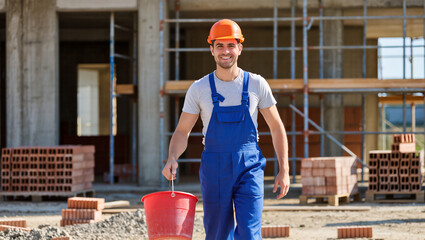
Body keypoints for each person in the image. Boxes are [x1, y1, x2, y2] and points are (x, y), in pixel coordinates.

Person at [162, 19, 290, 240]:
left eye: (231, 45)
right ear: (211, 49)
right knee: (218, 233)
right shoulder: (199, 88)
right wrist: (172, 156)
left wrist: (284, 169)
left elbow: (277, 127)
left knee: (249, 233)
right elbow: (183, 131)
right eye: (219, 45)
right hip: (214, 168)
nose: (225, 51)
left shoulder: (256, 84)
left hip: (249, 166)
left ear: (240, 48)